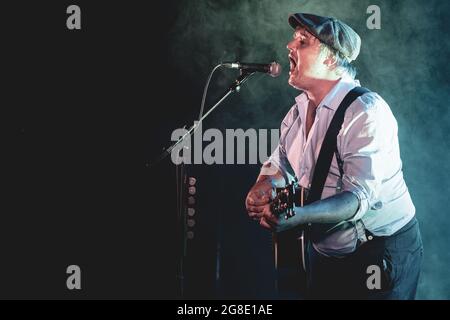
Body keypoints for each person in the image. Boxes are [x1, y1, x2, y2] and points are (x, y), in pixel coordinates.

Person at [245, 13, 423, 299]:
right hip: (326, 255)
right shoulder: (297, 113)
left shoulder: (365, 112)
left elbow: (357, 198)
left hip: (378, 252)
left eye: (302, 41)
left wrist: (300, 216)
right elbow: (280, 165)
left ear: (330, 59)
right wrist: (262, 186)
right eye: (294, 39)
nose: (290, 45)